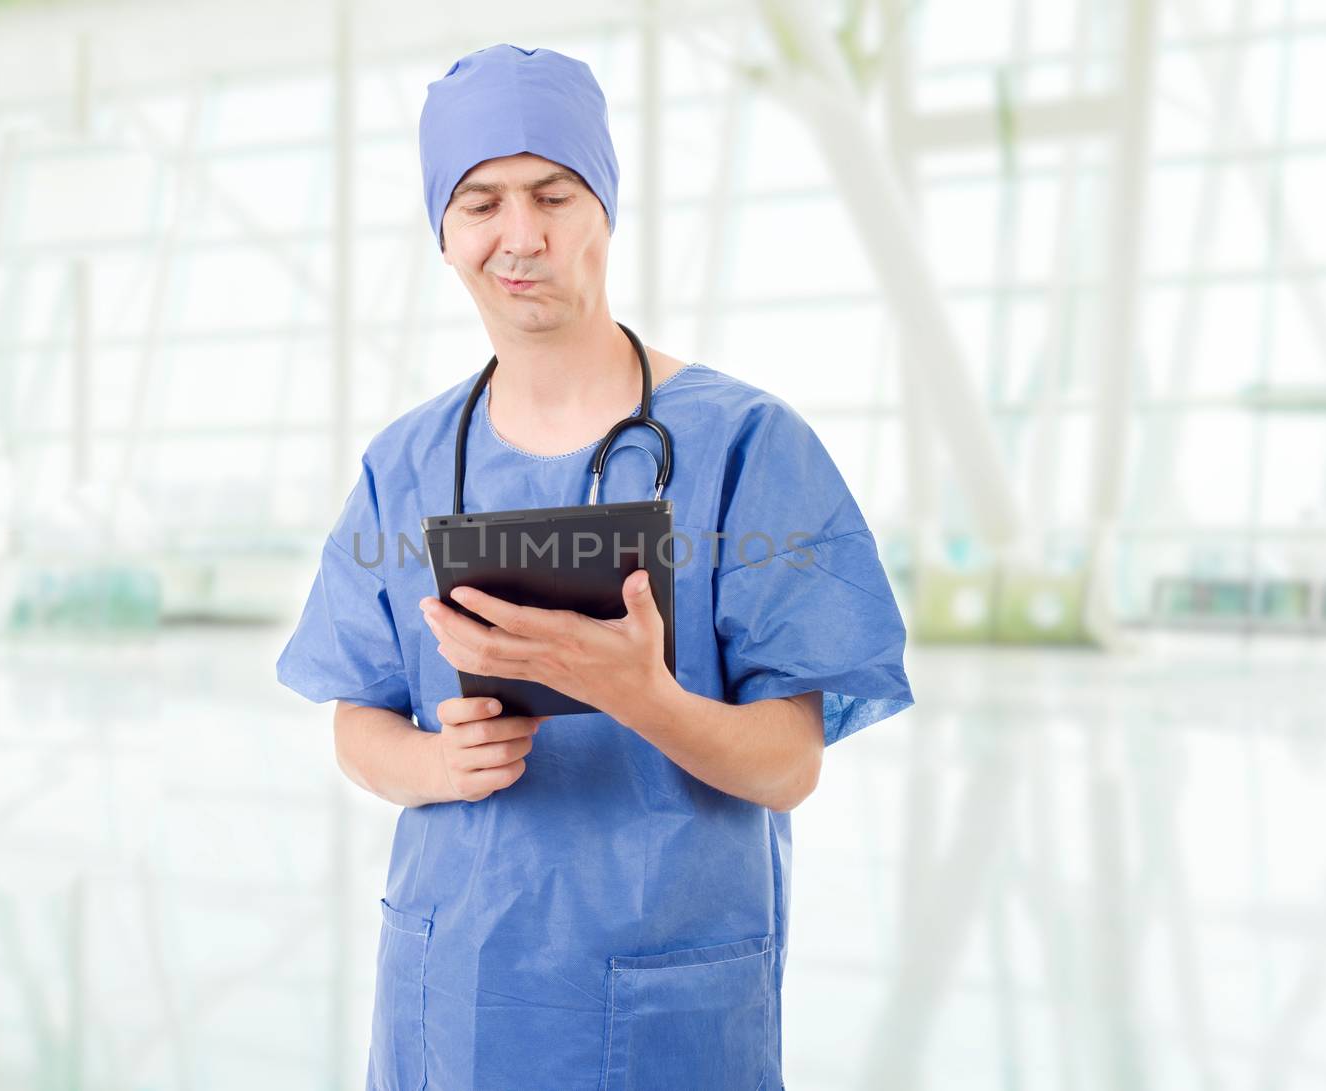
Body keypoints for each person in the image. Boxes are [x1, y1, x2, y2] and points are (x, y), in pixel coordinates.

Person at [276, 42, 914, 1091]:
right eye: (479, 201)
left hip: (671, 1005)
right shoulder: (407, 465)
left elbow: (790, 765)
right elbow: (358, 718)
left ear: (603, 208)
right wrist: (440, 764)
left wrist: (645, 697)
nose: (518, 235)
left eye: (552, 194)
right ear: (442, 230)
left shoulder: (746, 447)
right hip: (458, 997)